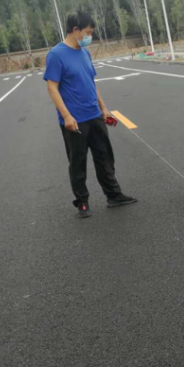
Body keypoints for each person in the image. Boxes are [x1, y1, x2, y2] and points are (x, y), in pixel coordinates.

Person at [44, 11, 136, 218]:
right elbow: (52, 88)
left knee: (105, 157)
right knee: (78, 163)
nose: (89, 37)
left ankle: (113, 195)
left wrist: (103, 109)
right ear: (75, 30)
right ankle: (82, 202)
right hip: (74, 121)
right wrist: (66, 116)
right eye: (87, 32)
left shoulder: (84, 53)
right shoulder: (56, 55)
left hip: (94, 115)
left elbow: (91, 82)